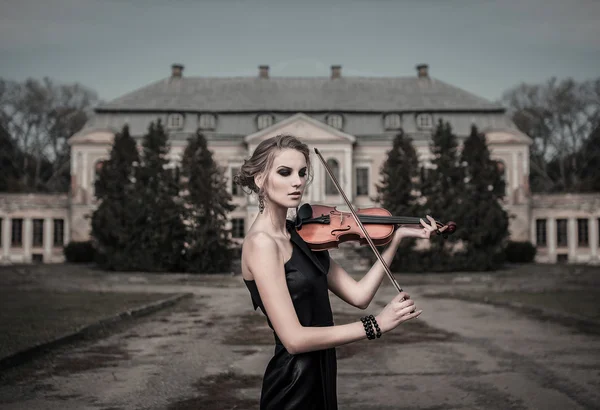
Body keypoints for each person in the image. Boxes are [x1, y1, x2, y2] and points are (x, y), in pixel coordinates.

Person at [233, 134, 439, 410]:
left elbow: (359, 295)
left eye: (303, 172)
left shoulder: (300, 236)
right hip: (292, 385)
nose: (298, 181)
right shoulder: (261, 243)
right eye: (285, 172)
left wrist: (397, 237)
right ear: (259, 179)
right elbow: (293, 340)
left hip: (322, 373)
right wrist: (375, 325)